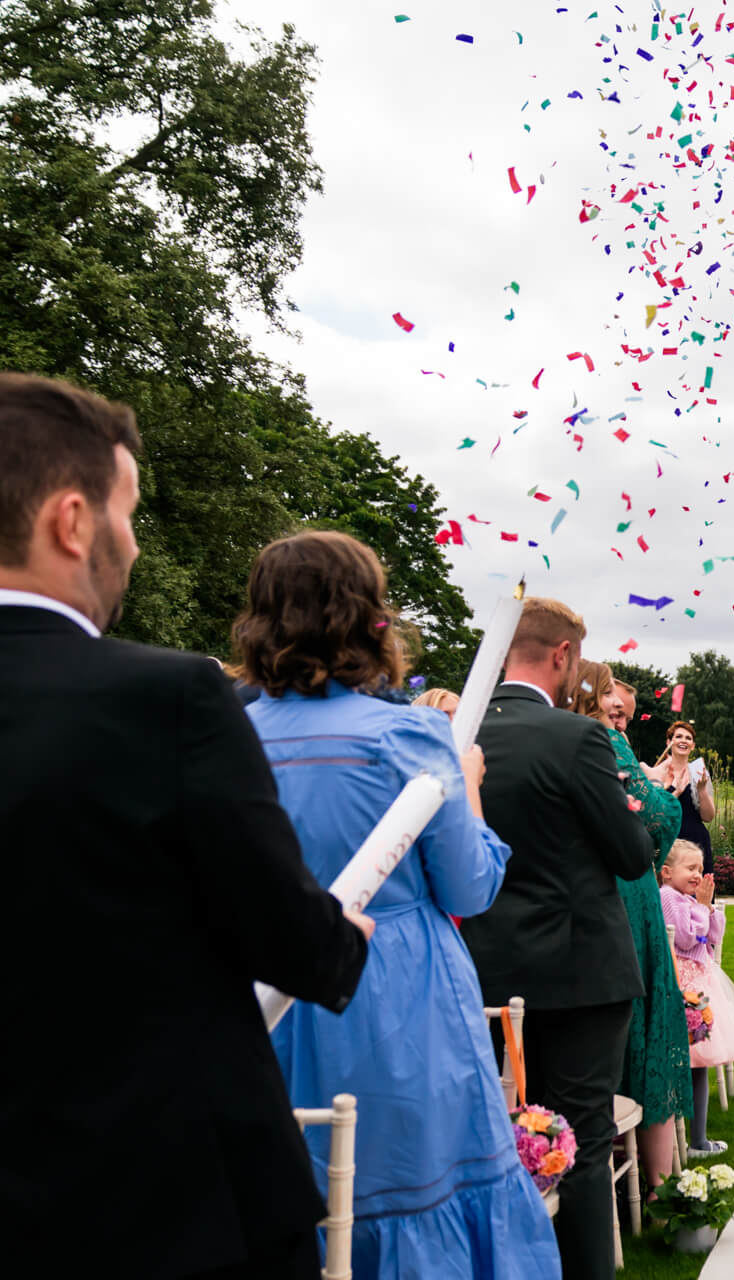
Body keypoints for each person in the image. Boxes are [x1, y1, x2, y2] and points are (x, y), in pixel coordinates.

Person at [0, 372, 372, 1278]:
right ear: (73, 520)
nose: (130, 546)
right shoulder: (162, 697)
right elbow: (285, 934)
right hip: (162, 1194)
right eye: (127, 515)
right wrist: (340, 935)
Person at [234, 532, 559, 1280]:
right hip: (396, 1001)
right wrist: (470, 784)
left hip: (268, 995)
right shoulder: (409, 733)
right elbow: (469, 886)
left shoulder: (229, 732)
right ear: (366, 618)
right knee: (408, 1190)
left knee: (301, 1198)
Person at [461, 599, 657, 1280]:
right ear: (564, 655)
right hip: (580, 975)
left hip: (483, 974)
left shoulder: (458, 735)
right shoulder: (578, 740)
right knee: (579, 1143)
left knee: (494, 1142)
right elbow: (632, 855)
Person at [568, 660, 689, 1178]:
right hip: (627, 889)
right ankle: (660, 1186)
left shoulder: (565, 735)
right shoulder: (603, 743)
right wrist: (662, 797)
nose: (619, 709)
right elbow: (659, 819)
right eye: (613, 698)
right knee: (645, 1022)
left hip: (582, 890)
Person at [659, 840, 734, 1153]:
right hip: (683, 987)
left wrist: (708, 908)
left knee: (700, 1064)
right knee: (689, 1064)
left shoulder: (689, 899)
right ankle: (684, 1140)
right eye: (690, 868)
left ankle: (698, 1139)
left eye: (700, 869)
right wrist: (702, 909)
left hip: (701, 986)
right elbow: (689, 938)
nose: (697, 874)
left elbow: (713, 937)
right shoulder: (668, 897)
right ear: (666, 872)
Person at [657, 720, 718, 873]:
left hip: (696, 842)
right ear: (669, 742)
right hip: (668, 843)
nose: (683, 740)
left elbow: (709, 817)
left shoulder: (699, 772)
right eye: (678, 737)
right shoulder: (658, 772)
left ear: (693, 745)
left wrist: (702, 789)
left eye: (688, 738)